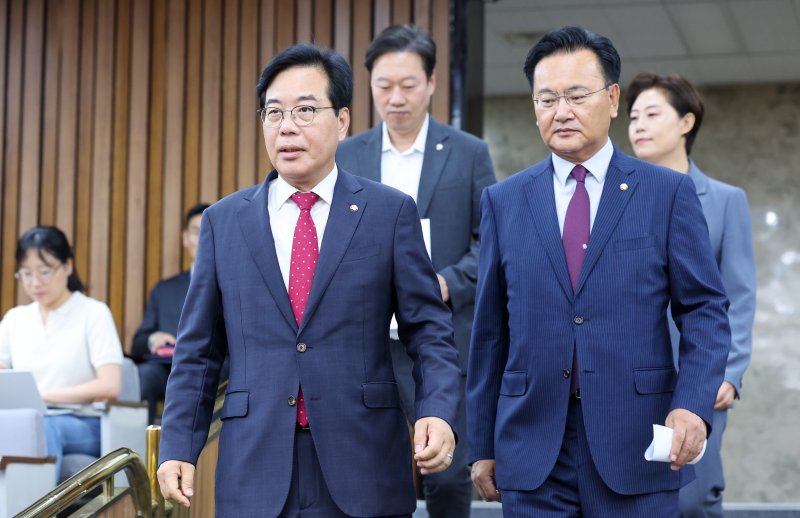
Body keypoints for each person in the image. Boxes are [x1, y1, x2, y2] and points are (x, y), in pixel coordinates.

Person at [156, 43, 461, 517]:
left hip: (363, 461)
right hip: (256, 465)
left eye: (304, 110)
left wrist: (438, 411)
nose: (287, 126)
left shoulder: (388, 213)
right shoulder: (224, 222)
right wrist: (178, 444)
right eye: (274, 112)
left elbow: (429, 331)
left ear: (342, 121)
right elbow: (198, 352)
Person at [466, 26, 731, 516]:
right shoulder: (504, 202)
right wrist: (480, 442)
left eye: (576, 95)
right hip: (531, 449)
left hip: (636, 444)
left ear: (611, 99)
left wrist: (692, 404)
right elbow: (489, 333)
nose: (561, 111)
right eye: (547, 99)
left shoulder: (665, 193)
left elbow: (704, 310)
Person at [337, 24, 496, 517]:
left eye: (408, 84)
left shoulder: (469, 152)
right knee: (368, 470)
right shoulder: (348, 154)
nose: (396, 97)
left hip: (437, 339)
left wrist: (446, 282)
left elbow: (491, 243)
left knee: (445, 474)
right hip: (366, 342)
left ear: (431, 83)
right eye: (383, 85)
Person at [627, 72, 756, 517]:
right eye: (633, 117)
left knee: (693, 498)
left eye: (651, 114)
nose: (638, 126)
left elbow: (738, 294)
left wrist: (729, 373)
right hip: (628, 378)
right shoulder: (617, 199)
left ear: (686, 122)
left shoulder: (724, 200)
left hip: (698, 375)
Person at [0, 226, 123, 480]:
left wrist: (43, 396)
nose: (35, 283)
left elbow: (110, 385)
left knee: (41, 427)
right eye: (26, 273)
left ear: (68, 266)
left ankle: (34, 502)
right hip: (29, 417)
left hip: (84, 422)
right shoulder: (15, 319)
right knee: (27, 424)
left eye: (44, 272)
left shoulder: (93, 313)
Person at [131, 202, 210, 424]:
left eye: (208, 231)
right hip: (169, 370)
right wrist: (153, 339)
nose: (202, 238)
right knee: (145, 374)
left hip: (213, 370)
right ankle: (142, 441)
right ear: (185, 239)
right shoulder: (164, 290)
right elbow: (138, 343)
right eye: (196, 232)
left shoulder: (234, 285)